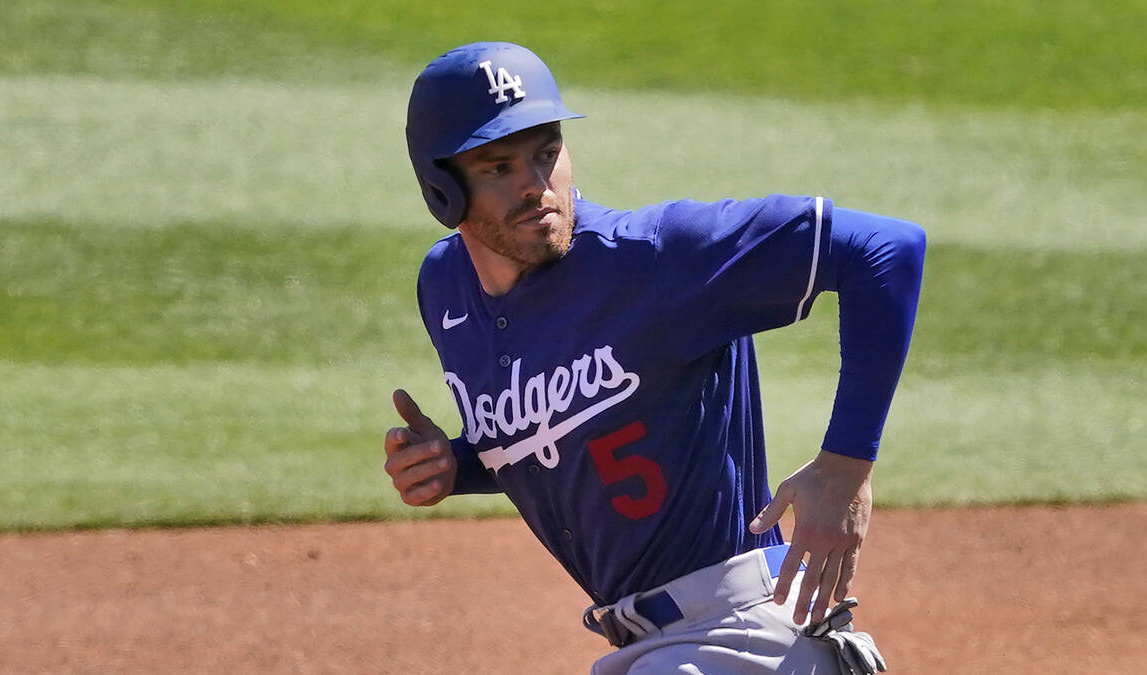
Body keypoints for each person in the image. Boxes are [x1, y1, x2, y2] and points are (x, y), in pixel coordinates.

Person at [385, 41, 924, 674]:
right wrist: (458, 464)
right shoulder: (446, 290)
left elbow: (886, 247)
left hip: (740, 635)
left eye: (547, 152)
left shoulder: (655, 259)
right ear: (442, 188)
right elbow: (567, 433)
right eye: (499, 167)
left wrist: (846, 466)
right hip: (653, 649)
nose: (535, 185)